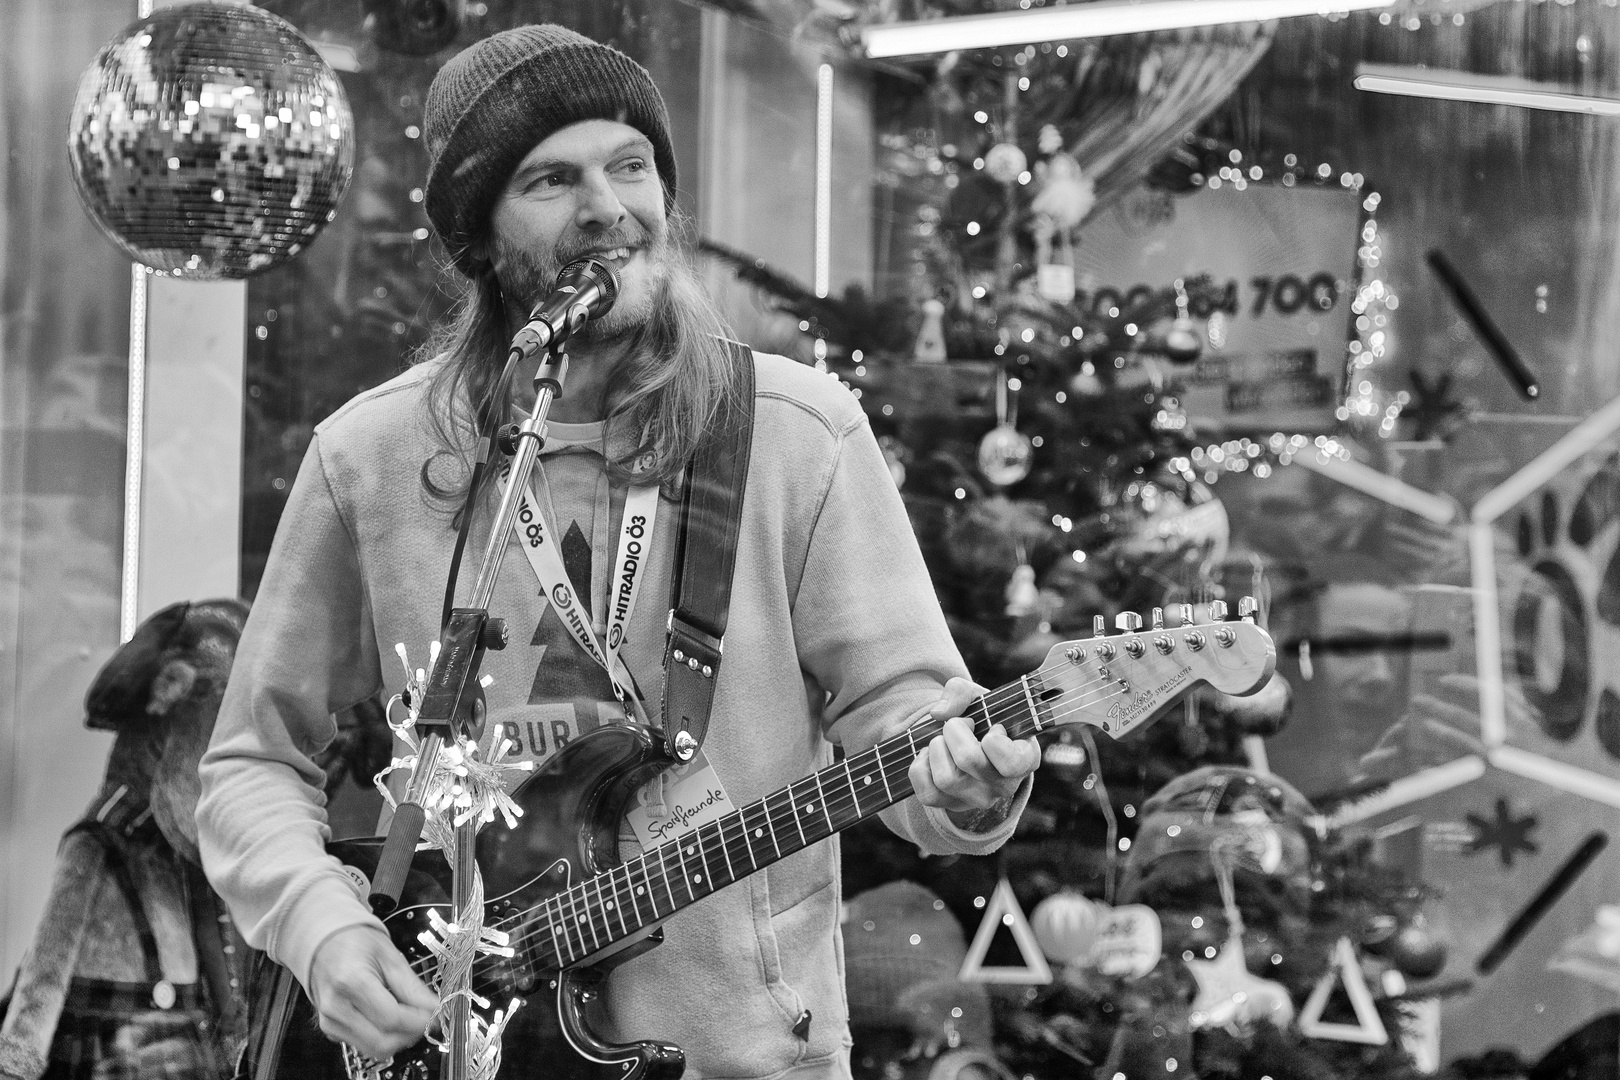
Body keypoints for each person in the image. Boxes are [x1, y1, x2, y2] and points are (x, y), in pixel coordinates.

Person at [196, 23, 1040, 1080]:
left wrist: (967, 788)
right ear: (479, 237)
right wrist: (326, 931)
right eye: (552, 179)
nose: (609, 207)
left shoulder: (793, 430)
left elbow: (911, 728)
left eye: (630, 165)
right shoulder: (370, 458)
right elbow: (250, 766)